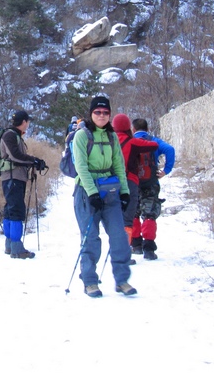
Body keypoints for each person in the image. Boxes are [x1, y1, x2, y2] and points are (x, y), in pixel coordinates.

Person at [72, 95, 136, 298]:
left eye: (105, 112)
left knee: (119, 236)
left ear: (110, 114)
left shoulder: (112, 136)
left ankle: (122, 280)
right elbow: (81, 166)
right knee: (90, 238)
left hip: (110, 191)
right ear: (91, 114)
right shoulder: (81, 136)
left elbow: (118, 164)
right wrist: (92, 193)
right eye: (97, 112)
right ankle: (90, 281)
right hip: (86, 192)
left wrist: (124, 191)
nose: (101, 115)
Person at [0, 109, 47, 259]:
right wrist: (34, 160)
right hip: (13, 178)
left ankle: (10, 245)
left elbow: (16, 157)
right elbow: (15, 156)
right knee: (16, 210)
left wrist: (32, 162)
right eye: (28, 122)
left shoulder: (13, 135)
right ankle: (16, 248)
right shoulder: (10, 135)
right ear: (24, 122)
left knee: (10, 209)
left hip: (12, 177)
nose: (28, 125)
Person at [111, 113, 159, 263]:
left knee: (115, 217)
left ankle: (119, 250)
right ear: (128, 127)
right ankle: (125, 254)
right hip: (130, 182)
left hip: (111, 183)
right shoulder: (132, 142)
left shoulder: (108, 141)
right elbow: (154, 146)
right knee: (128, 218)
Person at [130, 117, 176, 261]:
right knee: (149, 214)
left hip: (133, 182)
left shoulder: (130, 141)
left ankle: (136, 244)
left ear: (133, 129)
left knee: (133, 213)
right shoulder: (154, 141)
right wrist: (165, 170)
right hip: (151, 182)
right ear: (147, 129)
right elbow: (170, 149)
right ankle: (149, 249)